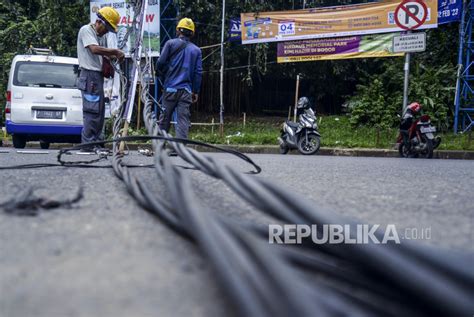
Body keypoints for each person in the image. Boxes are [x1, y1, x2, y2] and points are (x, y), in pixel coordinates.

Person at [76, 6, 124, 152]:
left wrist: (115, 57)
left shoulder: (101, 36)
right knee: (92, 111)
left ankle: (96, 142)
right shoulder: (87, 30)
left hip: (96, 77)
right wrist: (115, 51)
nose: (106, 31)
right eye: (107, 28)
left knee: (100, 111)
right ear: (99, 22)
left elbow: (104, 55)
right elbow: (94, 49)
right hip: (89, 75)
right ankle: (88, 144)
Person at [156, 17, 203, 148]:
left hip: (170, 89)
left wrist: (161, 74)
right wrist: (195, 91)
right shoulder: (196, 50)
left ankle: (160, 146)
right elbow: (198, 73)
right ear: (192, 33)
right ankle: (180, 148)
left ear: (178, 31)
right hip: (186, 91)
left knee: (164, 118)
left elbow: (160, 63)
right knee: (183, 120)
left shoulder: (170, 44)